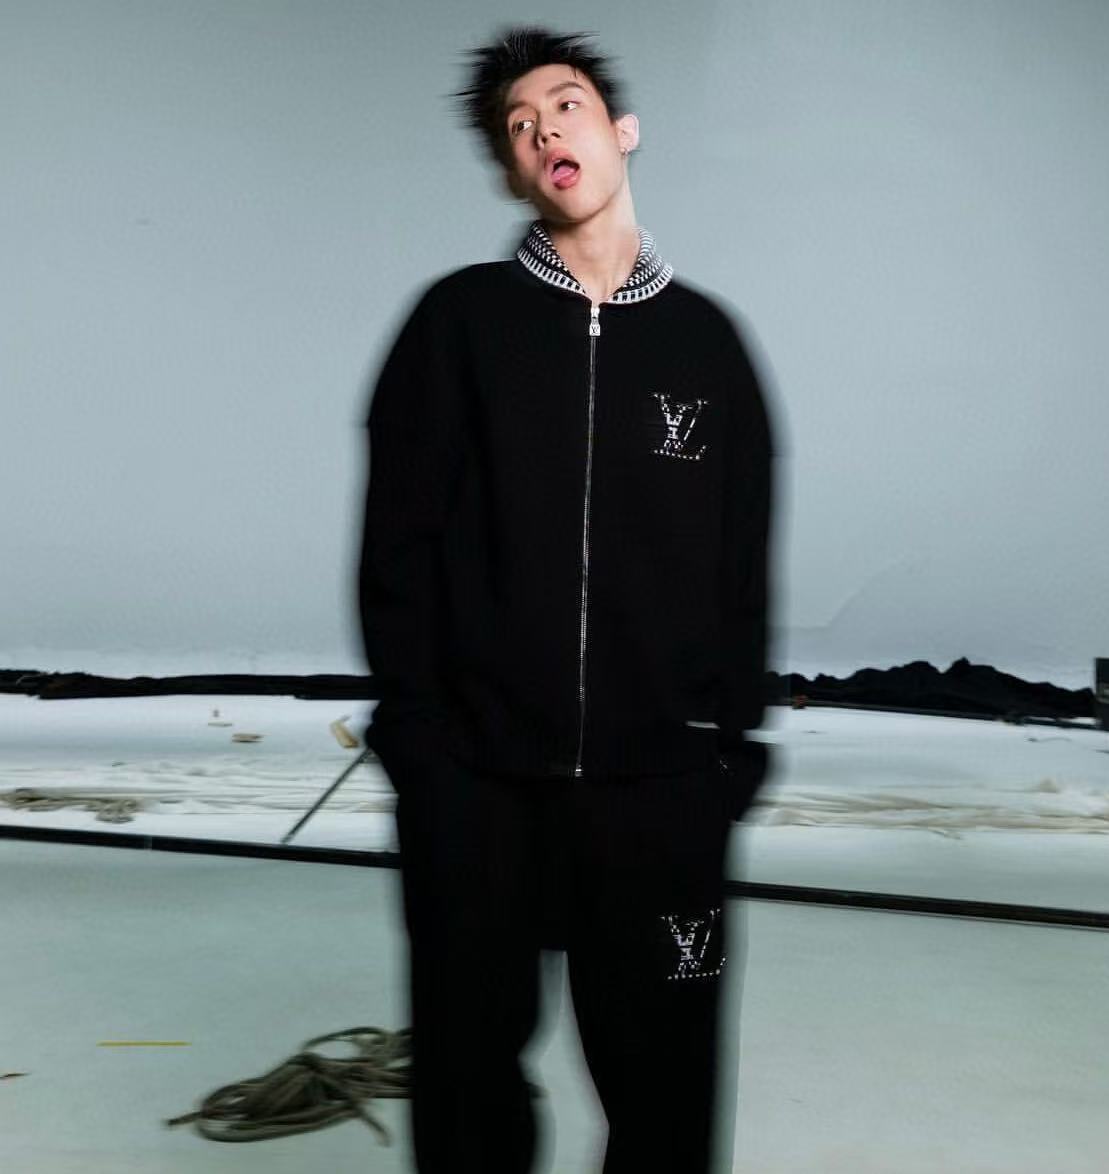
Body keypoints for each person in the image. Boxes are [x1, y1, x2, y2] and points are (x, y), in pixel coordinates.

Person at [358, 25, 777, 1174]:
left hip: (661, 795)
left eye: (567, 104)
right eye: (520, 124)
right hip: (478, 787)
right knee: (466, 1081)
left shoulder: (709, 346)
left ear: (622, 132)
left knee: (669, 1089)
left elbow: (743, 564)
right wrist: (422, 744)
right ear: (514, 171)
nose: (545, 127)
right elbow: (397, 547)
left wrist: (728, 753)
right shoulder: (457, 327)